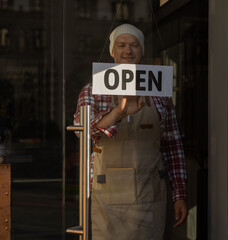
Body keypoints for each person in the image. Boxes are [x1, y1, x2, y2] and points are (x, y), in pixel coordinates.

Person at [73, 23, 187, 240]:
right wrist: (118, 112)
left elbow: (173, 147)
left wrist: (180, 195)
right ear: (112, 52)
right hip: (107, 197)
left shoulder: (160, 94)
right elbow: (82, 130)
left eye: (134, 45)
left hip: (149, 195)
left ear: (142, 51)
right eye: (122, 45)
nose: (128, 50)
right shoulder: (93, 89)